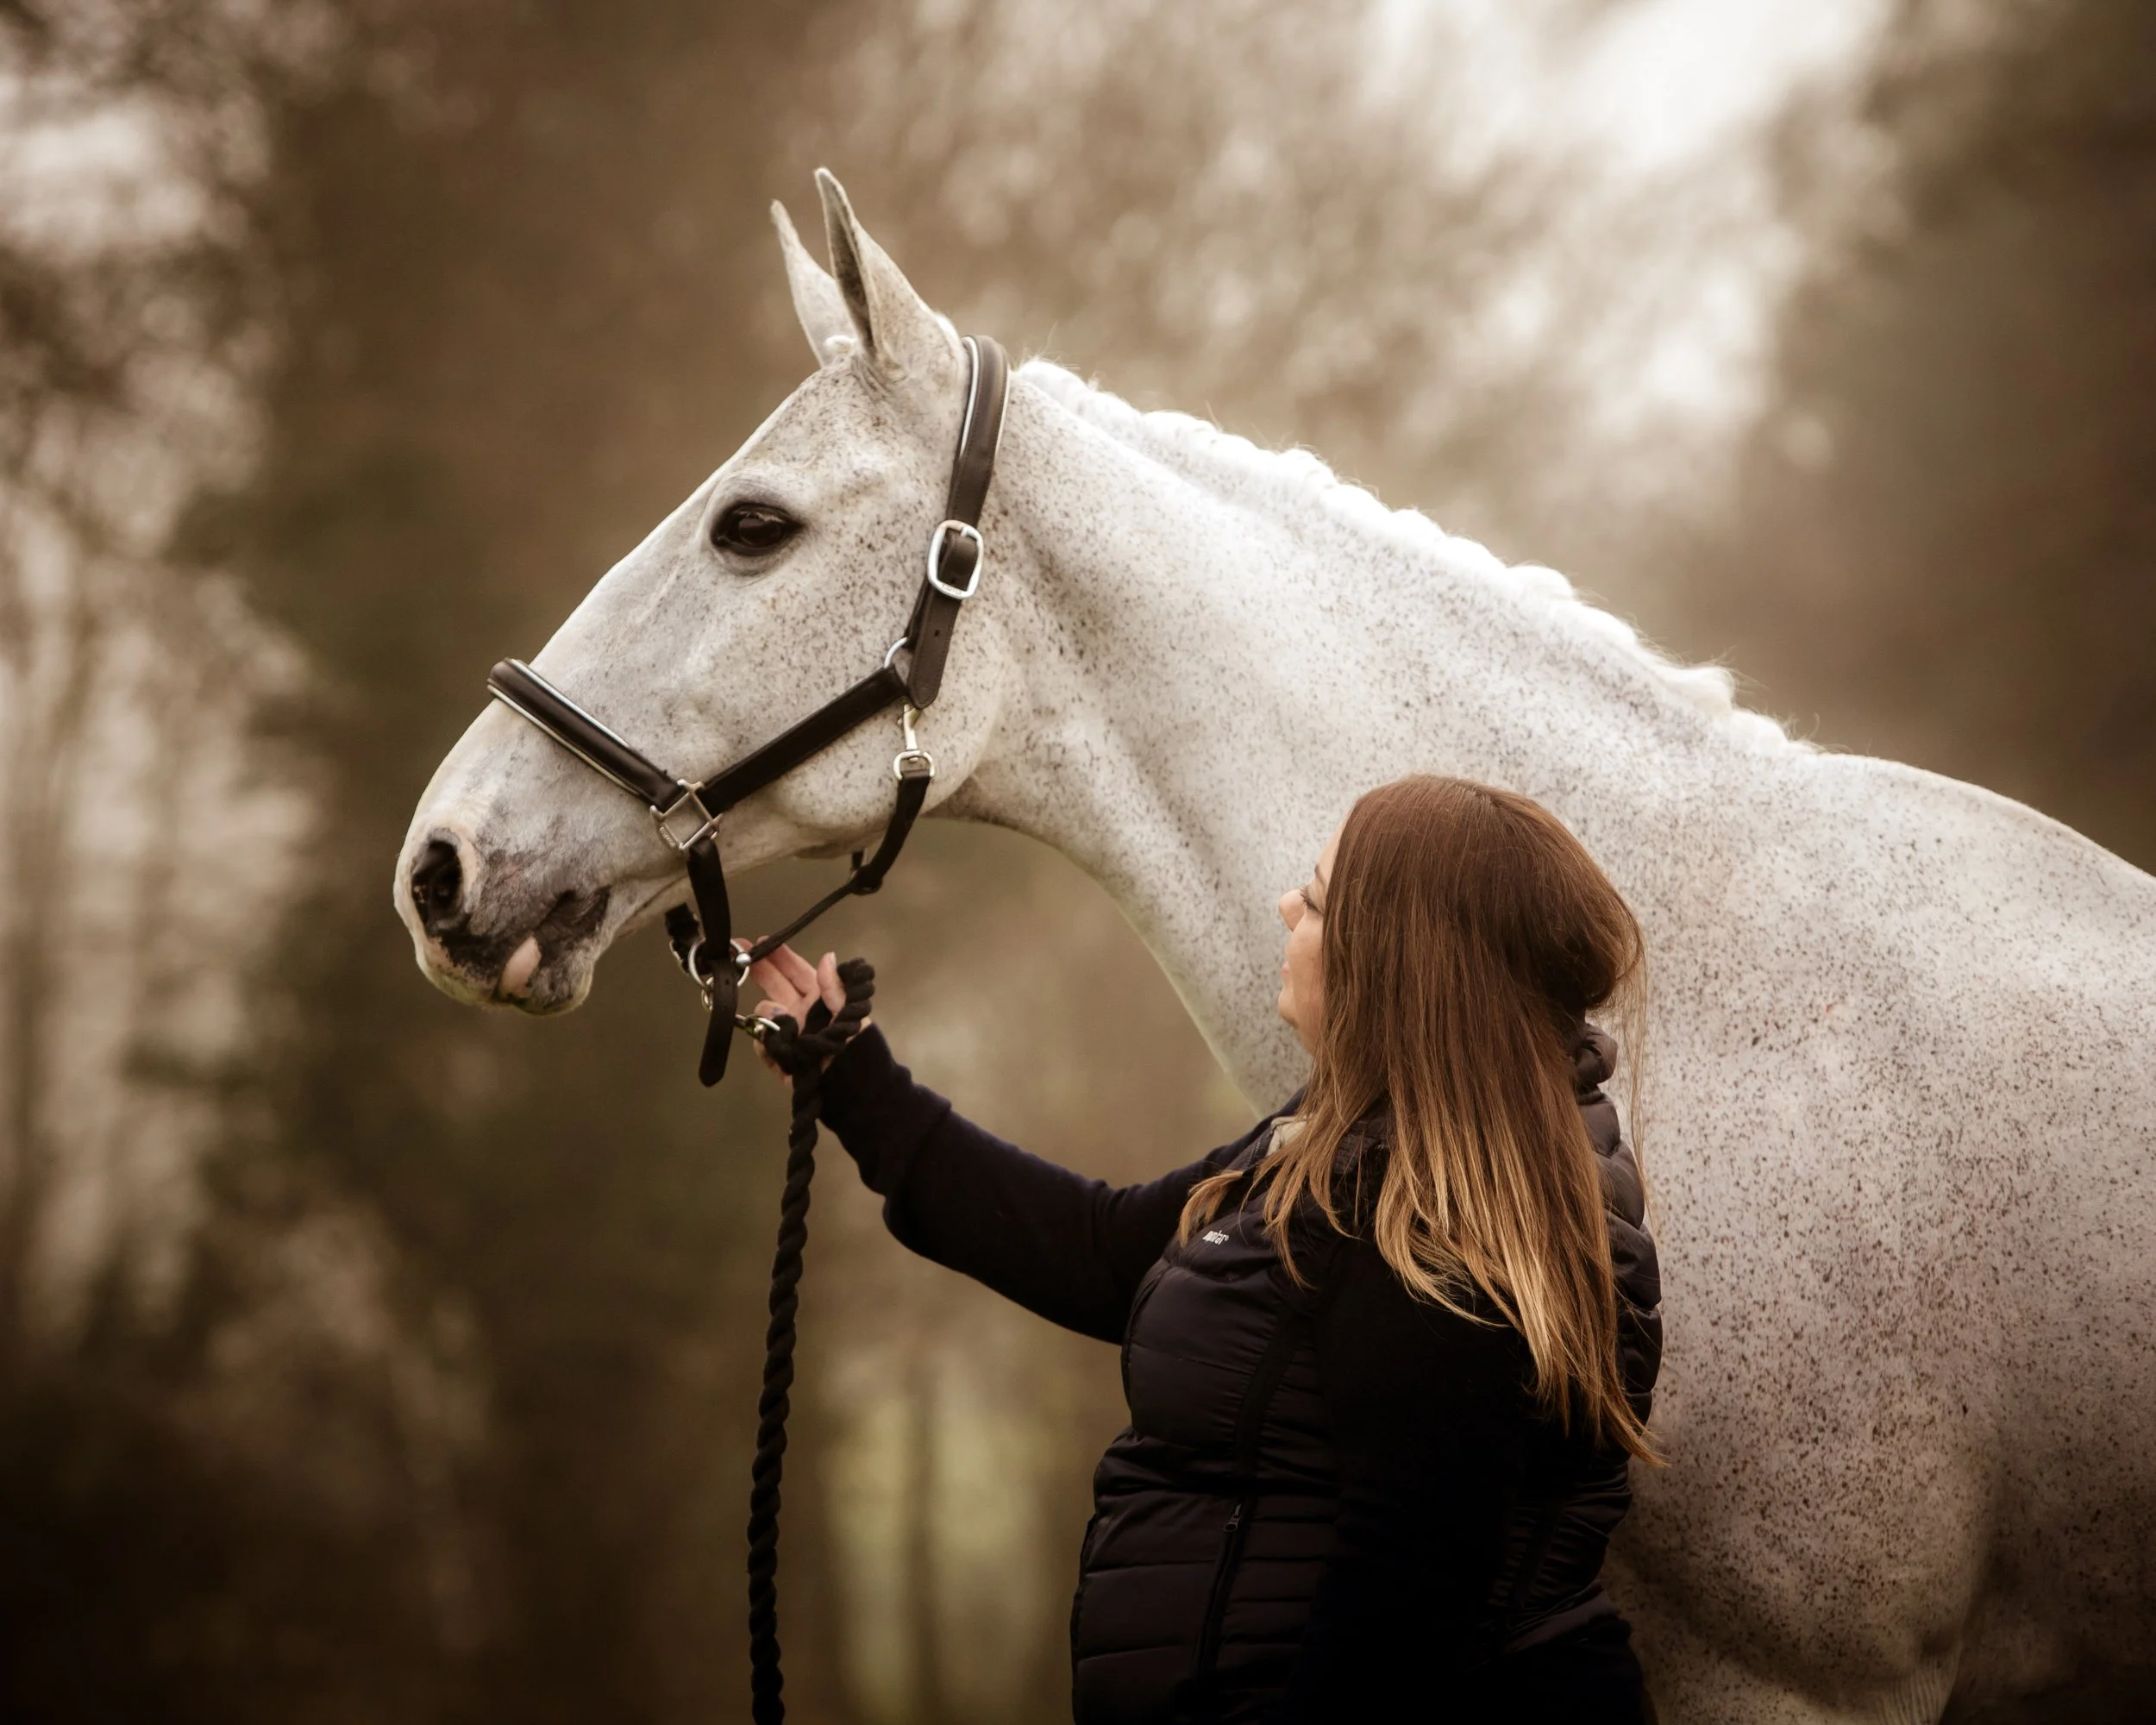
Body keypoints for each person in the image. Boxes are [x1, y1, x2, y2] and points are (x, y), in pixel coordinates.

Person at [748, 774, 1664, 1722]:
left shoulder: (1427, 1216)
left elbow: (1402, 1608)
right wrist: (854, 1079)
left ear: (1389, 960)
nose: (1284, 907)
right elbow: (1107, 1253)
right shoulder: (1350, 1142)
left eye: (1311, 898)